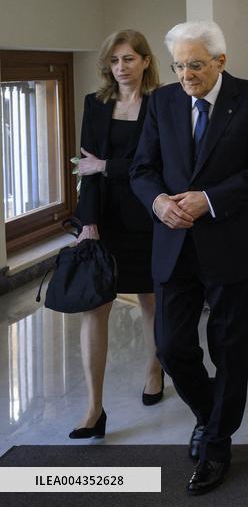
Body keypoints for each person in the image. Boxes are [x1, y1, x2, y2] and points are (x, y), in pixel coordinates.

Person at [130, 20, 248, 495]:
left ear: (221, 60)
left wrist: (209, 199)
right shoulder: (162, 101)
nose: (185, 75)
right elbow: (143, 169)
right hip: (173, 244)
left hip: (230, 245)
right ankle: (212, 413)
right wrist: (158, 202)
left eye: (195, 64)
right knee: (172, 345)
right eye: (178, 65)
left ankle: (216, 441)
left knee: (229, 348)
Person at [69, 29, 163, 440]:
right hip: (104, 217)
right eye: (114, 61)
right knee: (96, 306)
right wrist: (87, 222)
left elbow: (158, 165)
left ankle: (154, 369)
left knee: (150, 300)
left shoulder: (163, 103)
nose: (121, 68)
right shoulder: (96, 104)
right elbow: (85, 166)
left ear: (145, 61)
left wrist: (108, 166)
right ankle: (94, 408)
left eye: (128, 59)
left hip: (149, 215)